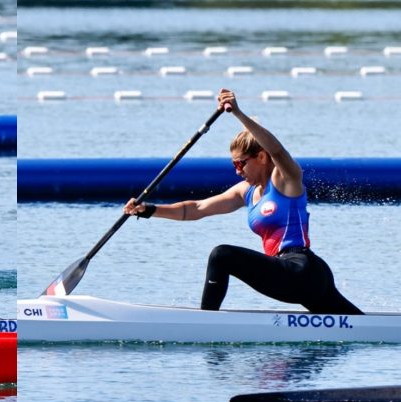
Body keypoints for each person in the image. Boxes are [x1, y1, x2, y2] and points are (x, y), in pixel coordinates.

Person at [124, 88, 363, 315]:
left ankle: (206, 322)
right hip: (293, 275)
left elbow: (278, 152)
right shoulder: (245, 192)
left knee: (222, 255)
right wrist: (148, 210)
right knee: (361, 326)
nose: (237, 171)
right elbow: (195, 209)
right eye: (233, 165)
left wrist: (237, 113)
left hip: (301, 270)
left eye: (240, 164)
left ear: (260, 157)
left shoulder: (285, 180)